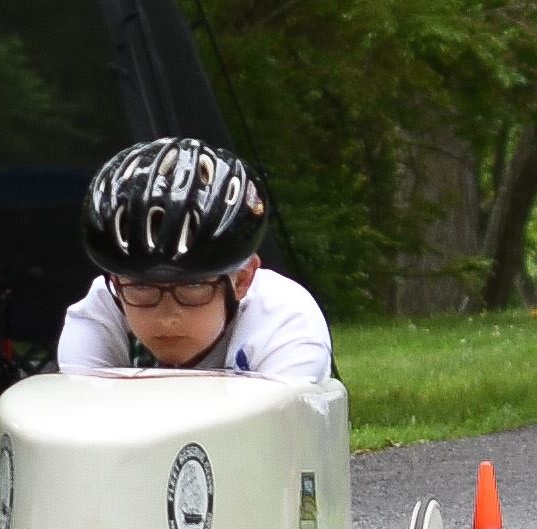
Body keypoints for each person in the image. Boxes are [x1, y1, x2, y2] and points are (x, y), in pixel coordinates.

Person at [57, 137, 332, 380]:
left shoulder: (286, 328)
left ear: (242, 279)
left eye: (193, 287)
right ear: (115, 283)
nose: (166, 317)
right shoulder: (102, 308)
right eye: (142, 287)